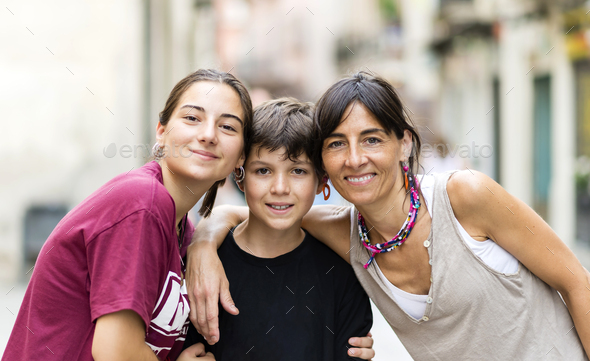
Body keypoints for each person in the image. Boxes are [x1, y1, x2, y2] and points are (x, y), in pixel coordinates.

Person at [186, 71, 590, 360]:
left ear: (404, 144)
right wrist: (203, 241)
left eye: (372, 139)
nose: (356, 159)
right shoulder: (344, 235)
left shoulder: (465, 195)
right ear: (324, 165)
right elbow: (257, 212)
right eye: (337, 143)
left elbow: (577, 284)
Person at [3, 69, 252, 361]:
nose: (208, 135)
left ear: (241, 157)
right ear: (161, 131)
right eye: (192, 118)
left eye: (227, 127)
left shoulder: (181, 228)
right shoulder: (142, 203)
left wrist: (205, 240)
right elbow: (115, 352)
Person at [182, 98, 373, 360]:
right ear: (239, 175)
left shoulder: (341, 274)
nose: (280, 188)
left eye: (297, 171)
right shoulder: (204, 267)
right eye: (263, 171)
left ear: (321, 181)